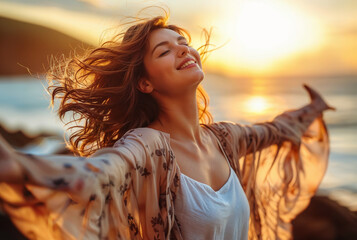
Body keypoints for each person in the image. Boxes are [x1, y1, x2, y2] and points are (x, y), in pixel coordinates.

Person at [0, 13, 336, 240]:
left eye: (181, 42)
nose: (183, 49)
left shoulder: (223, 138)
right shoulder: (147, 146)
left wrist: (313, 109)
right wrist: (18, 165)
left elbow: (275, 130)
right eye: (165, 50)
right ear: (145, 83)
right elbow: (97, 171)